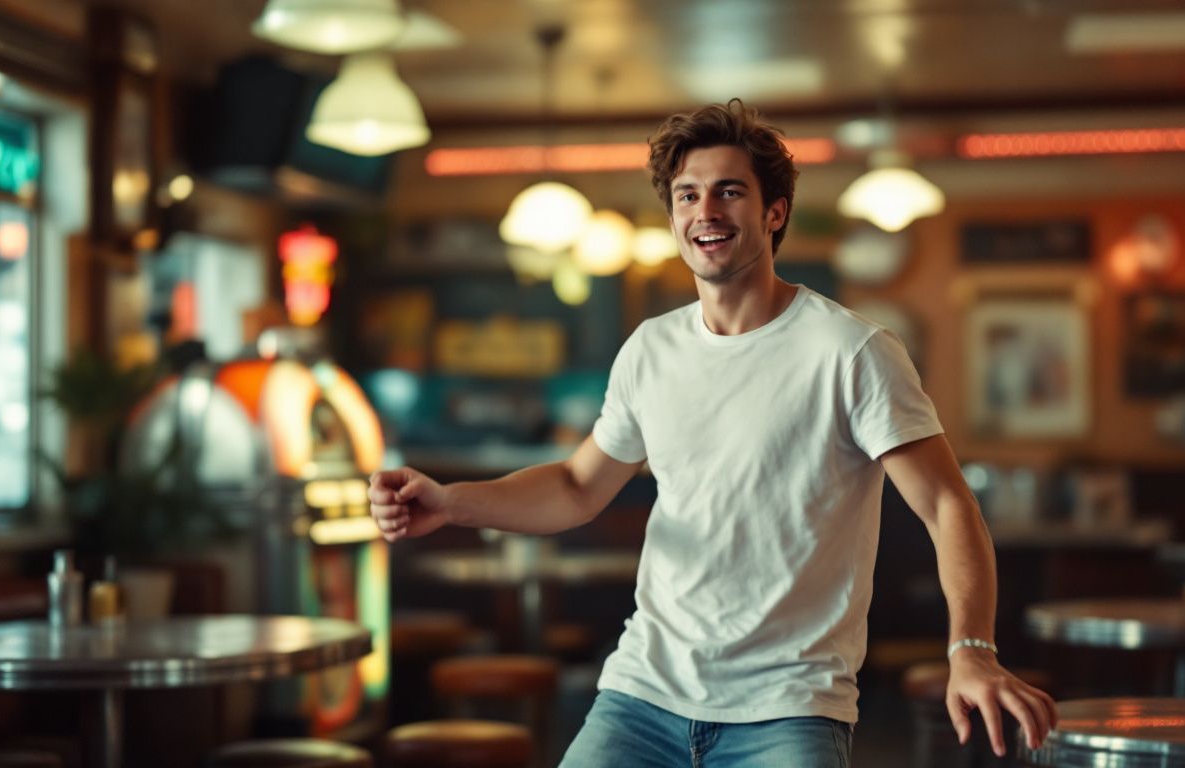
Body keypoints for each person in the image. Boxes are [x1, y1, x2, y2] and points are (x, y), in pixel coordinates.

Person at [369, 99, 1057, 768]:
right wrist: (451, 501)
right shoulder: (650, 350)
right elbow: (578, 487)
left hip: (790, 706)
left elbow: (947, 505)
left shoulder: (851, 351)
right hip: (643, 693)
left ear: (774, 211)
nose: (706, 211)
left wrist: (972, 649)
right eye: (687, 195)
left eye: (729, 192)